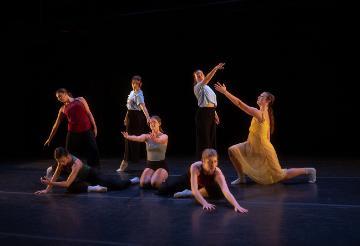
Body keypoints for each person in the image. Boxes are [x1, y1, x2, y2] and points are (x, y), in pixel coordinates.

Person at [214, 82, 317, 185]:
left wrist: (225, 92)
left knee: (280, 175)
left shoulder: (259, 113)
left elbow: (240, 104)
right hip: (251, 144)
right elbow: (267, 134)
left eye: (262, 96)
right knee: (232, 150)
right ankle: (241, 178)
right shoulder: (265, 113)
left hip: (263, 148)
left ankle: (309, 170)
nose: (259, 97)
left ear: (268, 100)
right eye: (259, 95)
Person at [158, 149, 248, 213]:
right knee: (163, 190)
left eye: (215, 161)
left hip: (205, 186)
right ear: (203, 161)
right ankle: (188, 191)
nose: (212, 165)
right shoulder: (195, 167)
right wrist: (205, 203)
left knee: (220, 192)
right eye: (209, 162)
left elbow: (226, 191)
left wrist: (236, 205)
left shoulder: (217, 172)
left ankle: (188, 193)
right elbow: (194, 189)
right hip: (189, 182)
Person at [44, 88, 100, 177]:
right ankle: (56, 171)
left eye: (60, 96)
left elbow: (89, 113)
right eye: (58, 98)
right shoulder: (62, 109)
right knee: (68, 155)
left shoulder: (80, 99)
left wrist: (95, 127)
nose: (59, 99)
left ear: (66, 94)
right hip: (73, 133)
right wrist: (49, 138)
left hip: (86, 130)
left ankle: (94, 173)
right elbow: (56, 125)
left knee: (93, 150)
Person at [35, 147, 139, 195]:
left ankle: (132, 181)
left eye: (62, 161)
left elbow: (66, 183)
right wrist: (47, 189)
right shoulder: (61, 161)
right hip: (81, 178)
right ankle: (93, 188)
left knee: (116, 186)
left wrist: (50, 183)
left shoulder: (76, 164)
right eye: (59, 161)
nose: (61, 164)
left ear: (67, 156)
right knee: (71, 188)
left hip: (92, 174)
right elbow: (56, 174)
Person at [121, 116, 168, 189]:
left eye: (154, 122)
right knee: (143, 184)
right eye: (150, 123)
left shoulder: (164, 136)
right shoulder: (147, 136)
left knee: (155, 184)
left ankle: (161, 177)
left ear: (159, 123)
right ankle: (154, 175)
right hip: (150, 165)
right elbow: (137, 138)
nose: (152, 124)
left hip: (161, 165)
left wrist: (155, 139)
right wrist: (128, 137)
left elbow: (160, 140)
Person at [117, 75, 150, 172]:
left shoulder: (138, 94)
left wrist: (148, 117)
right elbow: (129, 107)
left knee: (137, 139)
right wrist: (126, 117)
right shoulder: (132, 92)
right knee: (128, 139)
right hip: (130, 117)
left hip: (136, 118)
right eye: (133, 83)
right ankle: (126, 161)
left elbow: (143, 107)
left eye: (136, 83)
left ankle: (126, 162)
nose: (134, 85)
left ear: (140, 84)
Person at [193, 63, 224, 159]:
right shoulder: (197, 86)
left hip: (211, 112)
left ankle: (211, 159)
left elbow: (211, 102)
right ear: (195, 78)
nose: (199, 76)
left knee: (211, 137)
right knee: (204, 138)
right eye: (197, 75)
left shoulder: (208, 88)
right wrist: (215, 68)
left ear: (203, 75)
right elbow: (207, 79)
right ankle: (202, 160)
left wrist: (215, 114)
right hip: (203, 114)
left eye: (201, 74)